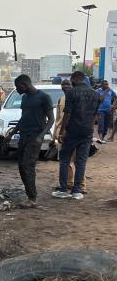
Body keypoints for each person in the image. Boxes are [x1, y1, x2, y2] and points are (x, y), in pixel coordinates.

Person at [53, 71, 101, 200]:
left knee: (64, 160)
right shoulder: (96, 94)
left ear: (75, 79)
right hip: (87, 132)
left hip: (72, 131)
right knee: (81, 162)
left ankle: (63, 189)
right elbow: (95, 116)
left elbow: (67, 114)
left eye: (71, 80)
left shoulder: (71, 93)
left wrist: (62, 131)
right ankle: (77, 191)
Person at [11, 74, 54, 208]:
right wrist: (12, 132)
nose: (17, 90)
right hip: (24, 136)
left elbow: (51, 119)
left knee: (27, 166)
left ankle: (32, 198)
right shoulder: (25, 98)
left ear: (25, 84)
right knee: (21, 166)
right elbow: (24, 118)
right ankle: (30, 194)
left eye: (18, 87)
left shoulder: (43, 97)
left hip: (35, 137)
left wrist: (40, 136)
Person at [52, 80, 86, 193]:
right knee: (65, 161)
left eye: (68, 84)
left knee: (78, 160)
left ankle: (81, 185)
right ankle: (68, 183)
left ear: (73, 86)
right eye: (63, 85)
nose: (65, 86)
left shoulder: (78, 99)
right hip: (62, 135)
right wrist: (55, 134)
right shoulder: (61, 99)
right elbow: (58, 119)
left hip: (75, 133)